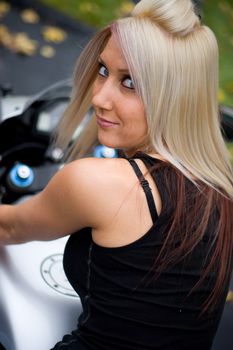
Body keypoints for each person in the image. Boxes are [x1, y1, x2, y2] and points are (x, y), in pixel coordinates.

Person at [0, 0, 233, 349]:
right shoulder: (220, 188)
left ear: (176, 97)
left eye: (131, 83)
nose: (100, 98)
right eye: (104, 70)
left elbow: (11, 227)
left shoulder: (101, 183)